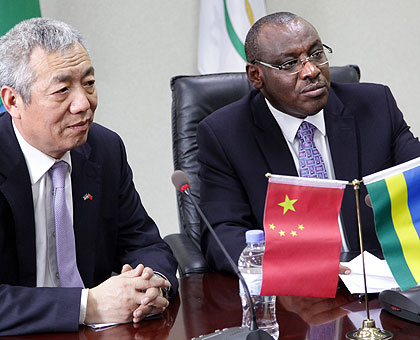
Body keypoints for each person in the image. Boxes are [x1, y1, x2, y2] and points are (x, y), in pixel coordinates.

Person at [197, 12, 420, 273]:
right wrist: (290, 267)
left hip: (376, 281)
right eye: (290, 63)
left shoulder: (375, 106)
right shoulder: (225, 134)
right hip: (292, 291)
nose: (311, 71)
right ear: (256, 76)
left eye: (316, 54)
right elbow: (222, 235)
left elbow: (416, 174)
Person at [0, 18, 178, 336]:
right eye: (62, 90)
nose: (84, 104)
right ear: (13, 101)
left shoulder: (104, 149)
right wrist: (88, 304)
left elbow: (144, 241)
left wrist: (152, 283)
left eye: (89, 83)